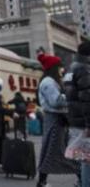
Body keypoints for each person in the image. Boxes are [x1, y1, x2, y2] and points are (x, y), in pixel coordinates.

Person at [36, 52, 80, 187]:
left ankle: (42, 182)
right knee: (59, 150)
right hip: (55, 119)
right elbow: (56, 101)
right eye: (60, 66)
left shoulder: (50, 81)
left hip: (56, 119)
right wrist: (70, 96)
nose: (62, 69)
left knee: (53, 150)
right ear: (53, 68)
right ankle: (81, 177)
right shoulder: (49, 82)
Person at [65, 41, 90, 187]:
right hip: (84, 122)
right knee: (87, 159)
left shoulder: (71, 69)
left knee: (83, 158)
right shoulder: (84, 70)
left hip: (76, 120)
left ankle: (81, 182)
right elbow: (87, 99)